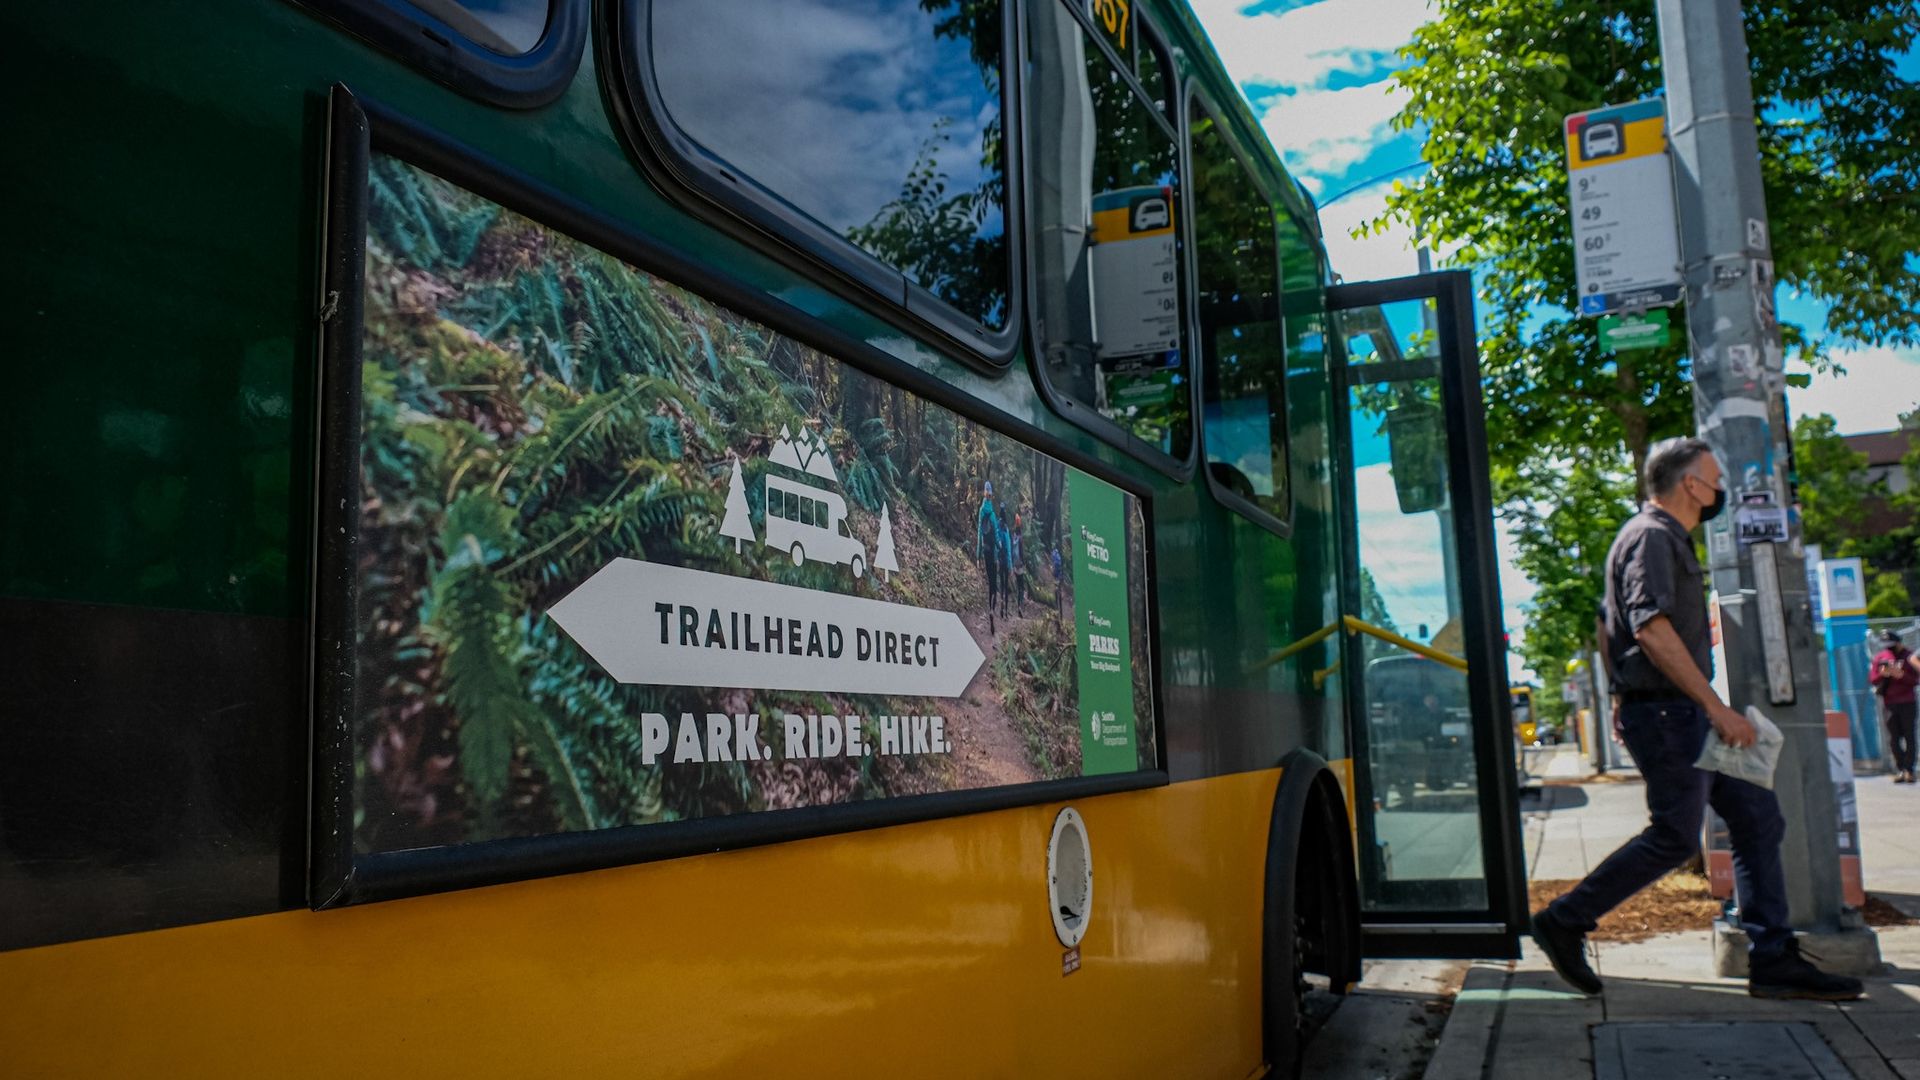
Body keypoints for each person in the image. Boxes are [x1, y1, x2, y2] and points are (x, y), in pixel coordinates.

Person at [1530, 436, 1863, 1002]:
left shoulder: (1658, 537)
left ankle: (1773, 957)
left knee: (1758, 818)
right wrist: (1714, 707)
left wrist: (1625, 696)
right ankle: (1565, 918)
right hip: (1670, 711)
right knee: (1674, 834)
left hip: (1673, 709)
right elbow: (1648, 626)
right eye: (1714, 480)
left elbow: (1607, 624)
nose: (1719, 492)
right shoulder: (1653, 536)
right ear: (1690, 484)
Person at [1868, 629, 1920, 784]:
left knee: (1909, 737)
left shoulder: (1910, 656)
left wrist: (1901, 675)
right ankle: (1900, 769)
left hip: (1907, 702)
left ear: (1898, 642)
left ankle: (1909, 770)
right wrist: (1883, 673)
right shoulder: (1881, 657)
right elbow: (1873, 679)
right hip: (1889, 703)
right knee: (1893, 739)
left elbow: (1916, 680)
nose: (1889, 647)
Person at [976, 480, 1003, 622]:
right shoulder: (992, 514)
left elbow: (979, 534)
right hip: (993, 552)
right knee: (994, 583)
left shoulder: (981, 511)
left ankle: (989, 610)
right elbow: (997, 537)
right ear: (991, 495)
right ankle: (992, 609)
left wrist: (978, 556)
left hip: (985, 552)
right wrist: (999, 547)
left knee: (989, 580)